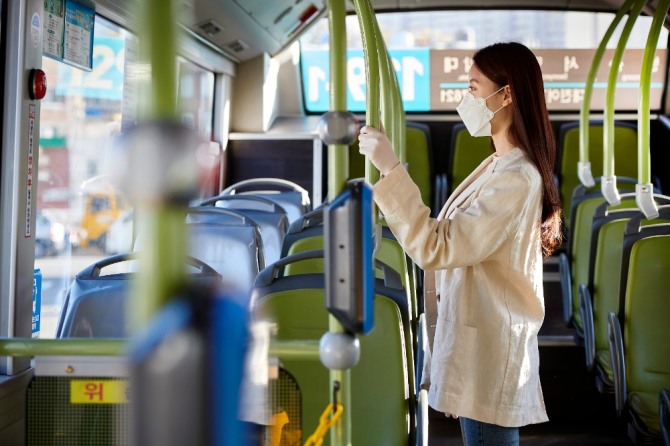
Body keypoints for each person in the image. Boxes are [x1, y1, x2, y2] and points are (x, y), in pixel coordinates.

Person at [357, 41, 563, 446]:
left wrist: (390, 168)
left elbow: (439, 247)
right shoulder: (499, 164)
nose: (466, 98)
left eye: (473, 87)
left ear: (506, 94)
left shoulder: (516, 177)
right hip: (480, 343)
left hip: (488, 352)